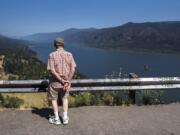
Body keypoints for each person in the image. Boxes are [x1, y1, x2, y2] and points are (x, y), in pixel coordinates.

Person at [47, 37, 76, 125]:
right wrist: (67, 81)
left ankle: (56, 119)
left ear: (55, 45)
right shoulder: (69, 54)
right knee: (65, 98)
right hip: (66, 83)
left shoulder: (51, 55)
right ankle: (65, 118)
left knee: (54, 99)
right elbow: (73, 69)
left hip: (55, 83)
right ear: (63, 44)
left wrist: (61, 80)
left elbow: (52, 70)